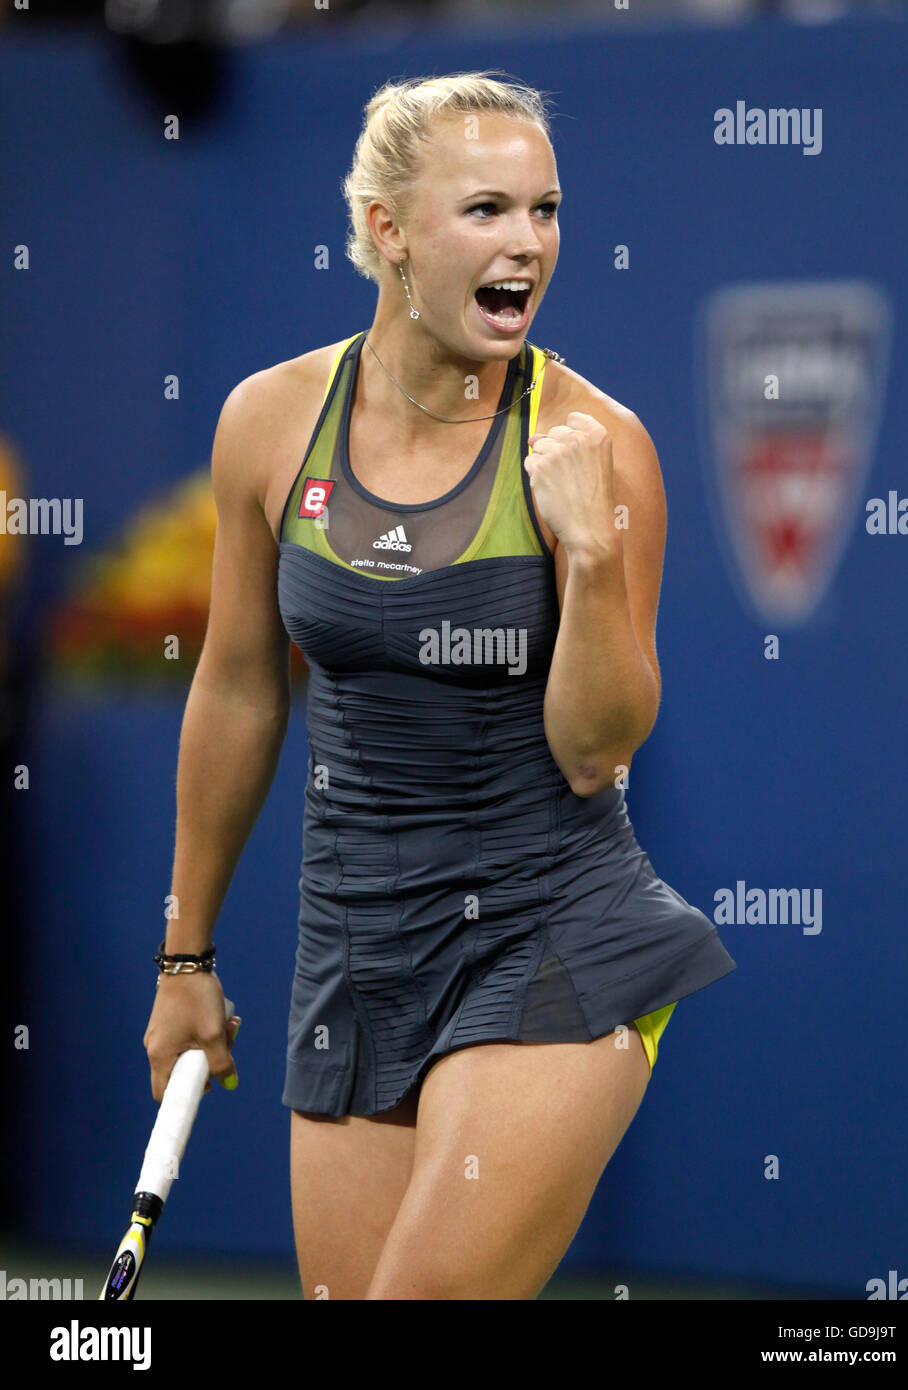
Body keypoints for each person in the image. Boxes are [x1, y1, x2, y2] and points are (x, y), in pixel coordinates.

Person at [143, 70, 736, 1301]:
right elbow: (242, 689)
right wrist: (185, 963)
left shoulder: (598, 444)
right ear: (388, 233)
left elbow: (597, 746)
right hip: (355, 955)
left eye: (546, 209)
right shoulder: (268, 421)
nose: (527, 241)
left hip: (552, 933)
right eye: (486, 210)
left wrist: (589, 548)